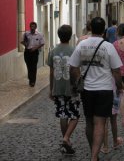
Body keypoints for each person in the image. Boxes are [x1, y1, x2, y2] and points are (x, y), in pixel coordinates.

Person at [69, 17, 123, 161]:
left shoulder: (81, 45)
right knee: (100, 123)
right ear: (104, 30)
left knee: (88, 122)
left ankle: (93, 150)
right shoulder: (109, 47)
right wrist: (119, 87)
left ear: (91, 28)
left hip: (87, 89)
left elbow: (73, 67)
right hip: (104, 89)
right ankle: (94, 156)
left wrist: (77, 80)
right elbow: (117, 71)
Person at [48, 24, 80, 155]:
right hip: (71, 88)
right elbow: (76, 71)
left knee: (63, 114)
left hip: (58, 87)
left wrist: (51, 89)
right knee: (75, 115)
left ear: (58, 35)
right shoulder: (74, 51)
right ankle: (66, 138)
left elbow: (51, 72)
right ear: (70, 35)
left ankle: (66, 140)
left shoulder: (53, 51)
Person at [21, 21, 45, 87]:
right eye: (31, 26)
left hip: (34, 52)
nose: (32, 28)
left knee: (34, 67)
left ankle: (32, 81)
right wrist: (25, 44)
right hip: (27, 52)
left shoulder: (39, 35)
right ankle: (30, 78)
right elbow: (22, 41)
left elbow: (42, 43)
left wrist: (35, 48)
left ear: (36, 27)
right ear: (30, 27)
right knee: (28, 66)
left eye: (33, 27)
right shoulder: (26, 34)